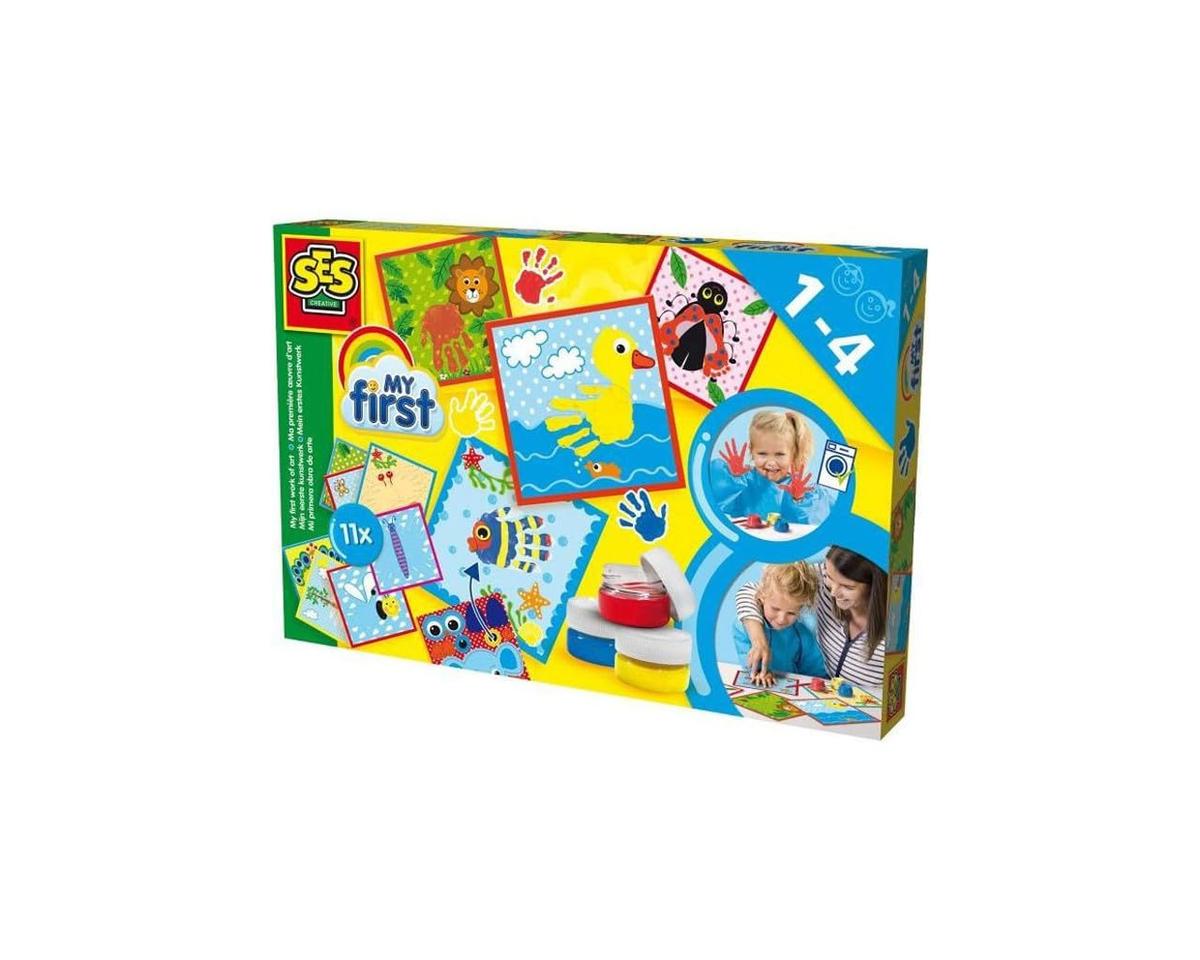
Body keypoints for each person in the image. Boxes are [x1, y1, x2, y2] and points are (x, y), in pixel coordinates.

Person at [735, 546, 887, 687]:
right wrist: (759, 641)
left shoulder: (894, 624)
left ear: (874, 585)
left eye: (848, 587)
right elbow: (751, 590)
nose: (833, 593)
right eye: (829, 577)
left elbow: (813, 667)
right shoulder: (815, 578)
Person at [711, 410, 834, 525]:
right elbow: (716, 503)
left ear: (793, 455)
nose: (771, 462)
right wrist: (733, 479)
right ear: (752, 451)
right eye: (762, 454)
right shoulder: (744, 480)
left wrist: (799, 500)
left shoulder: (803, 491)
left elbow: (814, 526)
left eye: (779, 454)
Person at [732, 563, 827, 686]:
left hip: (791, 690)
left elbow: (816, 672)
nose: (782, 619)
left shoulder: (802, 635)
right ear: (761, 596)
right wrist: (761, 671)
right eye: (775, 609)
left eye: (791, 613)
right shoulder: (744, 627)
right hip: (757, 686)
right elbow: (749, 661)